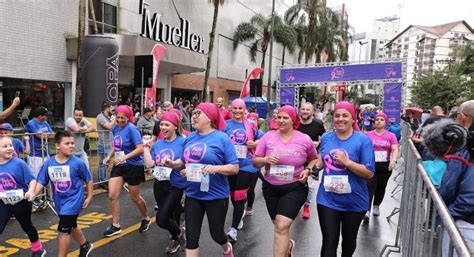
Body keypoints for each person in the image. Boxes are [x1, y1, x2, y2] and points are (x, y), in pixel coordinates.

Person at [163, 102, 238, 257]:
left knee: (216, 234)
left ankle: (226, 248)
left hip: (216, 196)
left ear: (209, 118)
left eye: (198, 113)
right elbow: (185, 162)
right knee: (191, 237)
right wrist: (174, 164)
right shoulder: (189, 138)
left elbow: (234, 167)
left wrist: (215, 168)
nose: (194, 116)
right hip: (193, 195)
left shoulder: (222, 138)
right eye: (194, 113)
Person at [253, 105, 318, 257]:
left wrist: (307, 170)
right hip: (271, 187)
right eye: (279, 117)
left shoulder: (304, 139)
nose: (281, 120)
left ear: (293, 120)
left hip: (295, 187)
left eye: (285, 118)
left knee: (281, 226)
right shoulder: (268, 137)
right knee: (278, 226)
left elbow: (314, 159)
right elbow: (255, 161)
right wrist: (266, 159)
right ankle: (287, 245)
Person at [315, 101, 375, 257]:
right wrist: (312, 168)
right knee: (329, 240)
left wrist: (347, 162)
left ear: (353, 118)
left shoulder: (363, 140)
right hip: (327, 199)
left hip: (354, 201)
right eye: (337, 115)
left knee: (348, 241)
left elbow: (369, 173)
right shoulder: (327, 137)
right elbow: (323, 158)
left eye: (345, 115)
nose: (340, 119)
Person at [30, 131, 93, 257]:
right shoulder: (49, 163)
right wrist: (33, 193)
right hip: (60, 201)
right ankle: (85, 245)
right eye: (67, 143)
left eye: (72, 143)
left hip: (74, 200)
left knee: (63, 230)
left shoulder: (78, 163)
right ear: (57, 146)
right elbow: (42, 180)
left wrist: (90, 195)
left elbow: (88, 179)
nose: (71, 146)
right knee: (71, 225)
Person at [102, 105, 151, 237]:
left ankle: (145, 217)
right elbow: (116, 144)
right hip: (119, 165)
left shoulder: (132, 129)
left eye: (122, 118)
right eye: (117, 117)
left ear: (128, 117)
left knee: (134, 197)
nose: (119, 120)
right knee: (112, 195)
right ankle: (116, 225)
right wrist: (109, 156)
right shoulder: (115, 128)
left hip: (134, 166)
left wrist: (125, 156)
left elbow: (140, 149)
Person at [143, 111, 186, 254]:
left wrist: (173, 163)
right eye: (161, 124)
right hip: (160, 184)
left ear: (175, 126)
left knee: (161, 219)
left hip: (176, 184)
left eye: (167, 124)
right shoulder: (158, 144)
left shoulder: (183, 141)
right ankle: (177, 237)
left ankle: (178, 233)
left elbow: (186, 162)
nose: (163, 127)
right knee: (170, 215)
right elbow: (150, 165)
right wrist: (145, 148)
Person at [438, 100, 474, 256]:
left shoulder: (469, 147)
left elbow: (469, 195)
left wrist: (448, 214)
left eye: (458, 115)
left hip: (465, 224)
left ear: (464, 117)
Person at [0, 136, 46, 257]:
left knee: (26, 226)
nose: (9, 148)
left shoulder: (19, 163)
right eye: (5, 146)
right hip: (3, 202)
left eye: (10, 145)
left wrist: (31, 191)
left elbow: (32, 180)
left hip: (22, 200)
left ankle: (37, 249)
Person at [223, 99, 261, 242]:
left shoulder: (251, 125)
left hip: (247, 164)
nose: (237, 111)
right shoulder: (225, 125)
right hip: (231, 165)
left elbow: (263, 138)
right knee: (233, 195)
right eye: (235, 108)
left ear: (245, 110)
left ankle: (233, 230)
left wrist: (254, 143)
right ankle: (240, 214)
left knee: (239, 195)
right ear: (231, 109)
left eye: (240, 108)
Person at [365, 112, 399, 222]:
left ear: (385, 122)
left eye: (381, 119)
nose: (379, 121)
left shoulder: (391, 136)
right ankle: (367, 210)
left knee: (381, 187)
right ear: (374, 122)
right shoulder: (368, 134)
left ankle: (376, 205)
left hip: (385, 164)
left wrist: (393, 160)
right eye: (377, 119)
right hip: (371, 164)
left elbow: (394, 149)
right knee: (369, 186)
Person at [298, 102, 326, 220]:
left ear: (312, 112)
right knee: (298, 183)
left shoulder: (318, 124)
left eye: (307, 110)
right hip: (297, 157)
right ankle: (296, 203)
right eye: (303, 109)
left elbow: (325, 139)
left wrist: (319, 143)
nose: (305, 111)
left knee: (309, 185)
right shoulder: (295, 124)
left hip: (312, 159)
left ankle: (306, 206)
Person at [245, 112, 265, 215]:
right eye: (250, 119)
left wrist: (256, 143)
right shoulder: (243, 131)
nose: (251, 121)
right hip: (243, 164)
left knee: (250, 188)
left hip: (254, 164)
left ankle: (249, 207)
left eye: (254, 119)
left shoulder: (260, 133)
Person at [96, 101, 115, 187]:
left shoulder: (108, 117)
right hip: (103, 144)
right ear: (107, 108)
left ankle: (103, 179)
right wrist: (115, 117)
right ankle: (102, 181)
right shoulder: (100, 117)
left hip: (109, 143)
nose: (112, 109)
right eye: (111, 108)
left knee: (106, 163)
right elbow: (109, 126)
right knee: (103, 163)